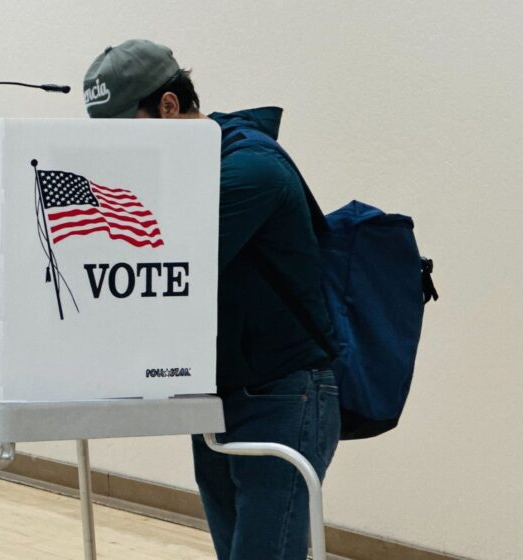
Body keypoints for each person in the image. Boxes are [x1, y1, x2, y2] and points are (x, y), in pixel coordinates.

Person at [82, 39, 341, 560]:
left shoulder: (251, 170)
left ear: (169, 106)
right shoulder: (192, 171)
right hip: (220, 397)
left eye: (123, 132)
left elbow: (161, 261)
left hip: (284, 397)